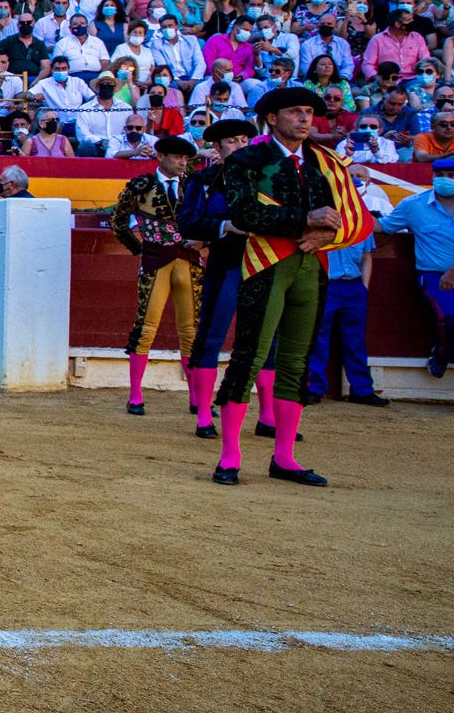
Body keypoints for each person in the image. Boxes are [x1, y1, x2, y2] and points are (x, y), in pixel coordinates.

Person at [210, 87, 370, 488]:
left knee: (297, 361)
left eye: (309, 112)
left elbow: (353, 217)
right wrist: (306, 221)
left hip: (311, 264)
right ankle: (230, 456)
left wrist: (323, 238)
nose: (305, 118)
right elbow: (244, 212)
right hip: (265, 263)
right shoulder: (247, 159)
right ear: (272, 118)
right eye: (295, 112)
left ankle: (284, 457)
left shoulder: (323, 162)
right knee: (250, 356)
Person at [179, 118, 274, 436]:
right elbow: (188, 222)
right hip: (226, 263)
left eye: (245, 140)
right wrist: (223, 227)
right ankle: (204, 415)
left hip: (262, 265)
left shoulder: (267, 179)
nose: (241, 146)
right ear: (217, 148)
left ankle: (268, 417)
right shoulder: (203, 180)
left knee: (266, 342)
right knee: (211, 337)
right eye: (232, 141)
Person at [109, 136, 200, 419]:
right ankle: (135, 394)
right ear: (160, 156)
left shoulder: (193, 184)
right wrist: (139, 249)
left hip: (189, 261)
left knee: (191, 330)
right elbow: (118, 222)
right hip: (155, 261)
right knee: (146, 326)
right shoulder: (140, 186)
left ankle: (197, 397)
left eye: (186, 158)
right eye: (177, 157)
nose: (183, 162)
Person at [375, 159, 454, 377]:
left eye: (451, 175)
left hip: (450, 274)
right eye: (440, 174)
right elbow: (385, 226)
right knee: (449, 316)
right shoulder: (414, 205)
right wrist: (354, 221)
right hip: (434, 275)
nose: (445, 180)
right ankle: (442, 352)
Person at [305, 232, 388, 407]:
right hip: (325, 284)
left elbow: (367, 257)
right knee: (318, 338)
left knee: (355, 340)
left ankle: (362, 390)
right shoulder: (322, 218)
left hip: (353, 285)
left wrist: (363, 287)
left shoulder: (361, 222)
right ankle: (313, 388)